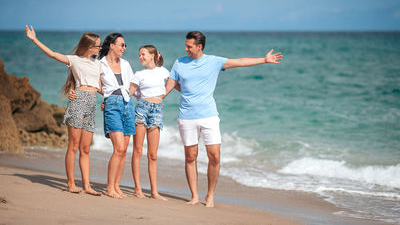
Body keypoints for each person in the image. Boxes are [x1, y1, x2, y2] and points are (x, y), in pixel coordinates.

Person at [164, 31, 282, 207]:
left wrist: (264, 60)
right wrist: (155, 98)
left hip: (209, 116)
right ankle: (195, 196)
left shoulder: (214, 61)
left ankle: (210, 195)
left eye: (189, 46)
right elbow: (170, 86)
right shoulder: (179, 63)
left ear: (199, 47)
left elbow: (240, 62)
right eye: (186, 45)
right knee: (190, 157)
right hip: (186, 117)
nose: (186, 49)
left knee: (215, 157)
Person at [25, 25, 102, 196]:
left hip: (91, 103)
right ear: (89, 46)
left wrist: (113, 100)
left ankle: (87, 186)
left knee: (86, 148)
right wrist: (34, 39)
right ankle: (70, 183)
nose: (100, 48)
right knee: (73, 145)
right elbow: (52, 54)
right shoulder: (74, 60)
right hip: (78, 101)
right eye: (98, 45)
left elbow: (102, 87)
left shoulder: (98, 64)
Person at [71, 33, 136, 199]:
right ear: (112, 45)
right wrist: (77, 92)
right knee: (119, 148)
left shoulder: (126, 64)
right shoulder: (99, 64)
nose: (124, 48)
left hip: (128, 104)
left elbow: (133, 86)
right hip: (112, 105)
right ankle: (109, 187)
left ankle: (116, 186)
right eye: (121, 44)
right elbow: (93, 83)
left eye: (125, 45)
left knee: (123, 151)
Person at [130, 45, 169, 201]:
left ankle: (154, 192)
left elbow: (173, 85)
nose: (140, 57)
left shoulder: (164, 71)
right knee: (137, 151)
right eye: (139, 55)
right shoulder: (138, 74)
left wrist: (161, 98)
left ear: (153, 55)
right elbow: (128, 94)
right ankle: (138, 189)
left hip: (157, 111)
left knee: (153, 155)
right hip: (142, 109)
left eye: (143, 54)